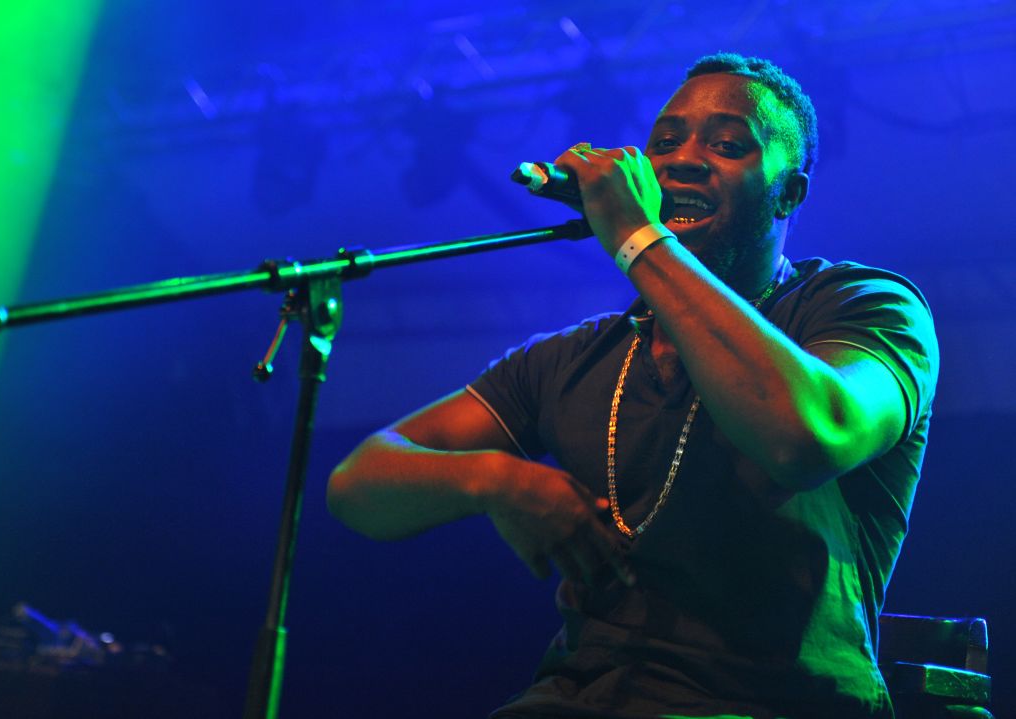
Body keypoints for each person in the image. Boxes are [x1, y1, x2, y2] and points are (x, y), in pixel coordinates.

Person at [327, 53, 938, 719]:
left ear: (790, 192)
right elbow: (358, 485)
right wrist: (500, 480)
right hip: (577, 697)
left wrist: (637, 238)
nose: (685, 159)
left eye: (729, 145)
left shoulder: (863, 307)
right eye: (666, 142)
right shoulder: (577, 358)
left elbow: (808, 435)